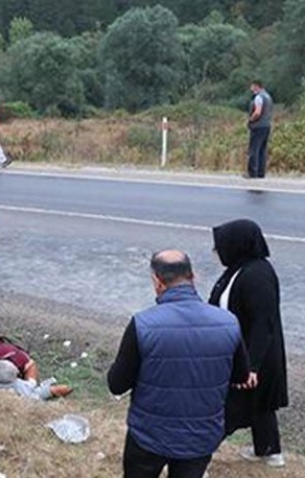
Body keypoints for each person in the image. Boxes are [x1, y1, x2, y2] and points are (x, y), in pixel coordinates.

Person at [108, 250, 249, 478]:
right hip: (201, 436)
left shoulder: (143, 324)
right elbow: (241, 377)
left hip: (149, 436)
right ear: (194, 277)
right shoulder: (228, 323)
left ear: (157, 281)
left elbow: (116, 384)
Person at [209, 219, 288, 468]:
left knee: (229, 410)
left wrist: (251, 366)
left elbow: (263, 324)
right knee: (260, 405)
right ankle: (269, 452)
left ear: (237, 245)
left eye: (221, 246)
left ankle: (194, 459)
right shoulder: (240, 269)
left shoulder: (258, 275)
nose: (216, 252)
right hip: (244, 351)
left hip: (255, 355)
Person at [246, 81, 273, 178]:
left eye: (252, 87)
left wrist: (250, 120)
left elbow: (257, 112)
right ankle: (261, 172)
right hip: (267, 125)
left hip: (258, 126)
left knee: (254, 149)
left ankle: (252, 172)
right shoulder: (268, 97)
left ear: (257, 86)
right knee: (262, 150)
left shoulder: (258, 97)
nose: (251, 89)